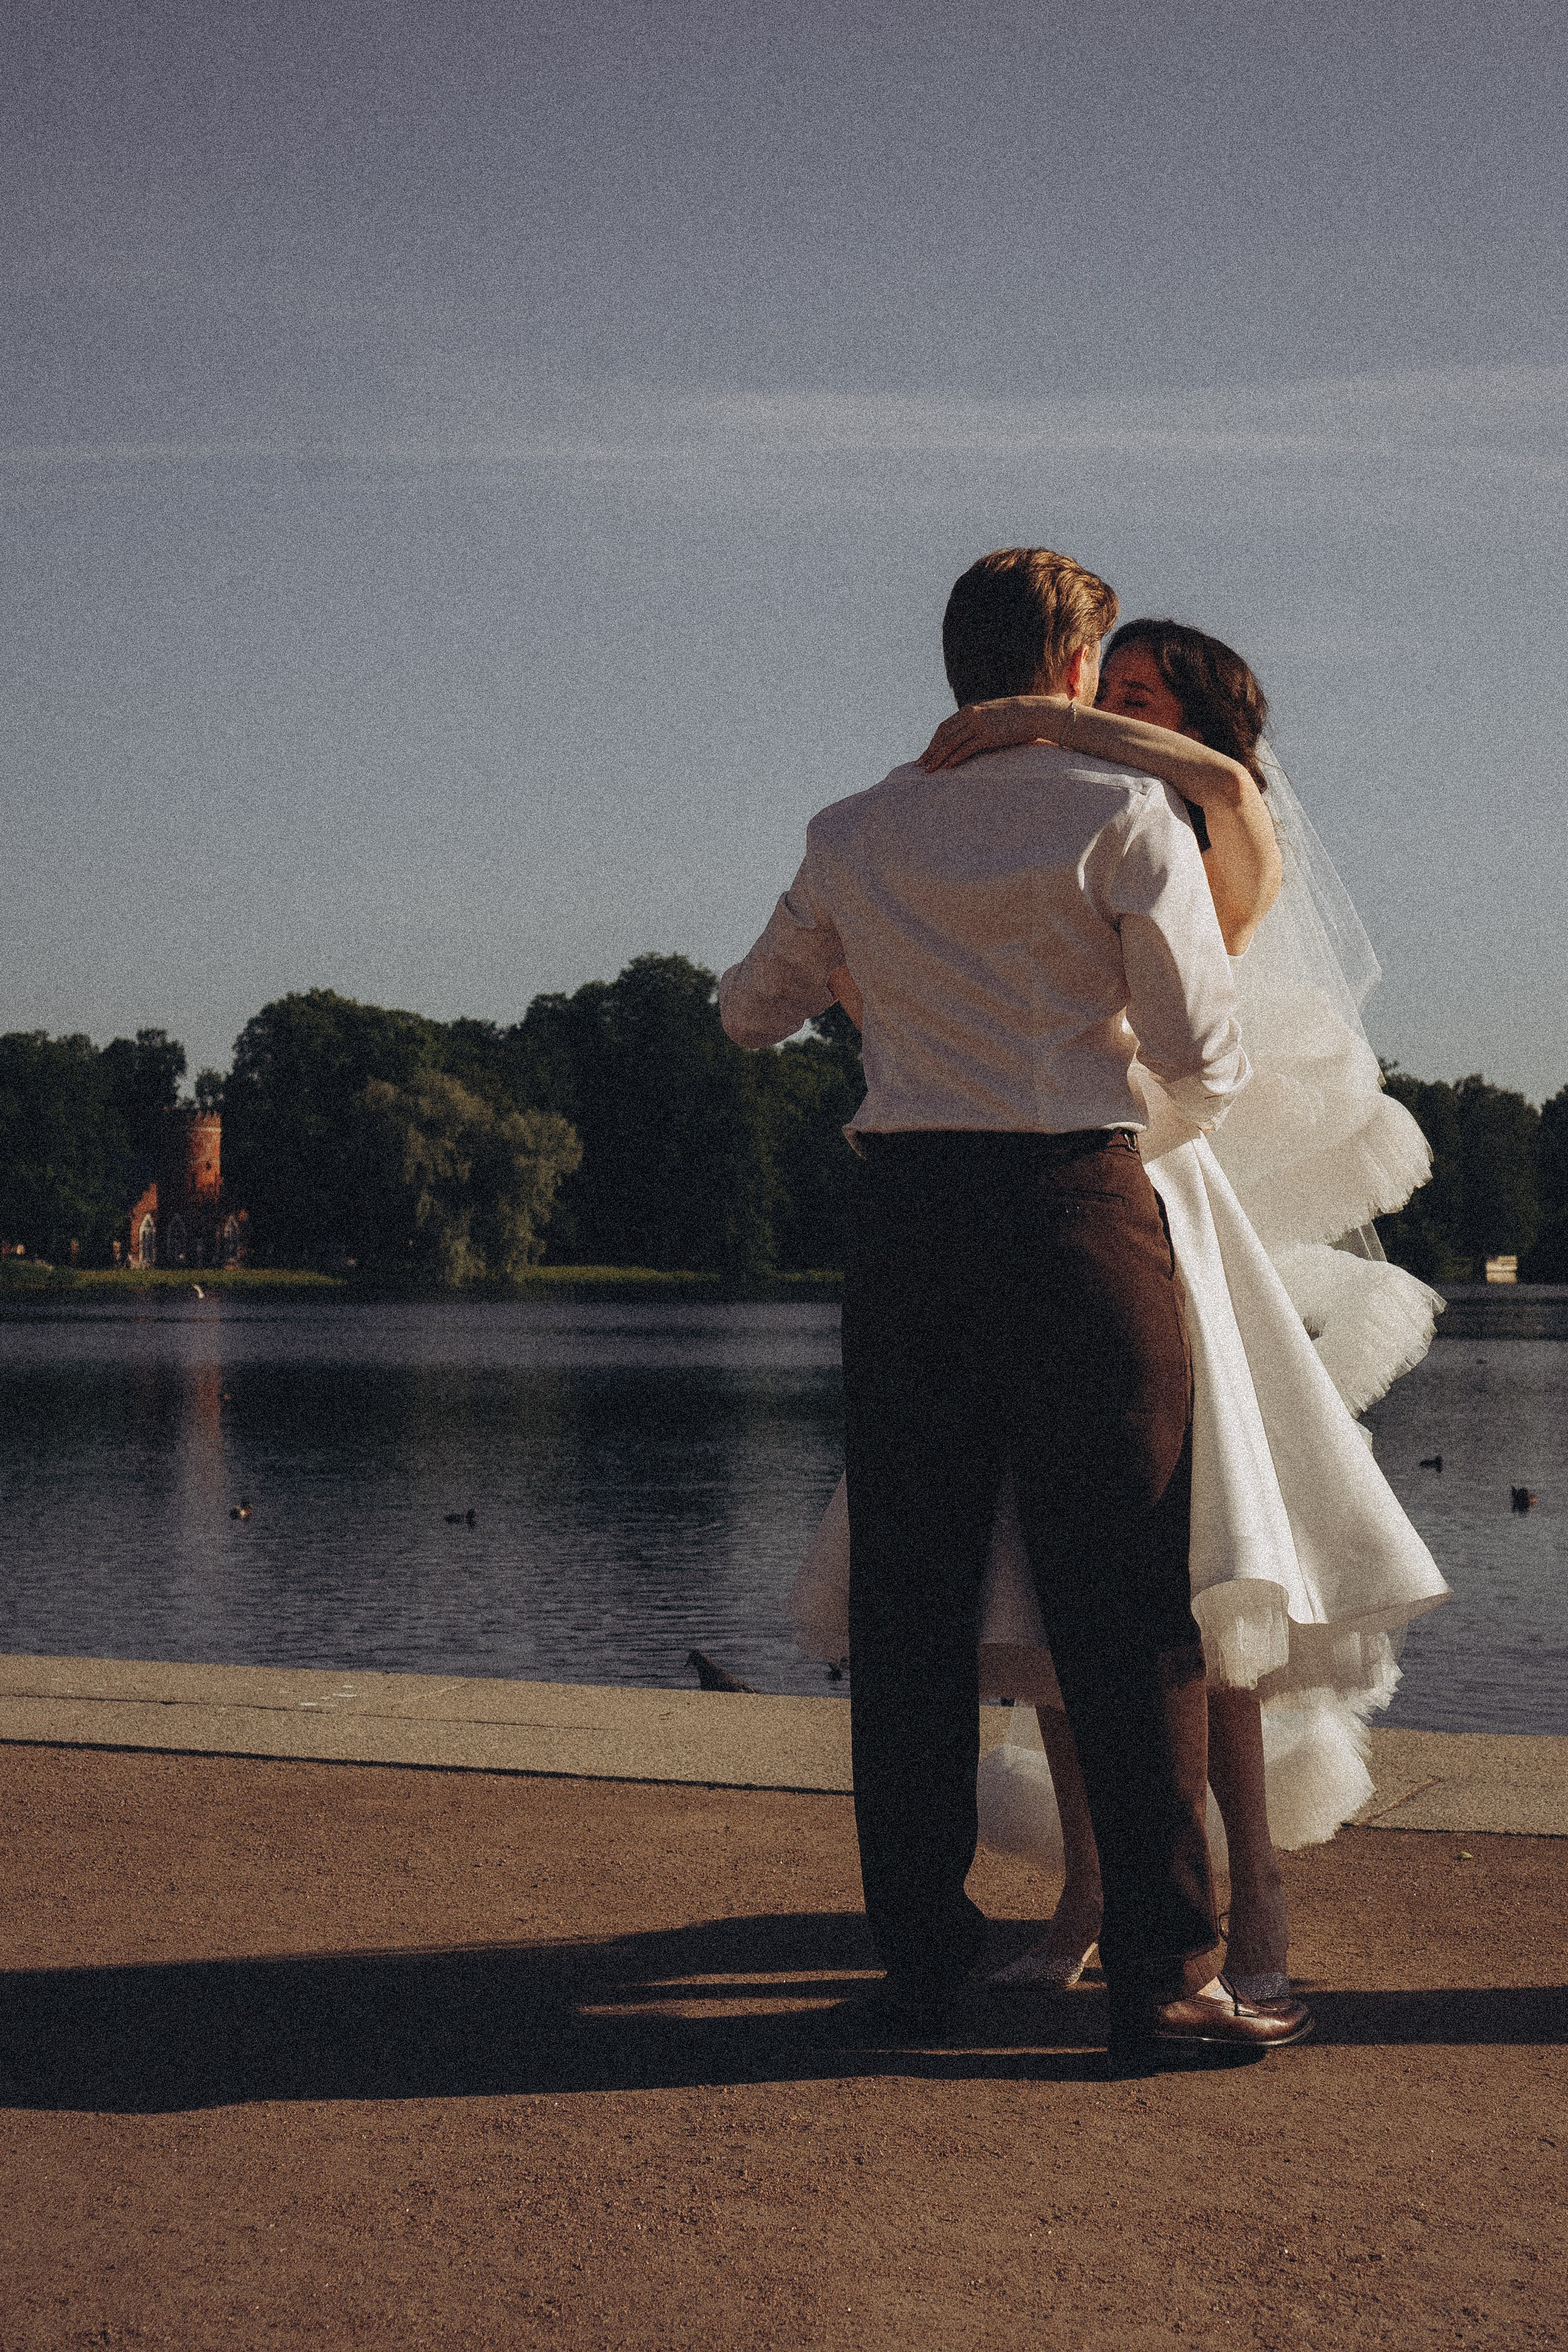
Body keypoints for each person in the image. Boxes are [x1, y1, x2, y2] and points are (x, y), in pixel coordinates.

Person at [791, 617, 1449, 2004]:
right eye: (1103, 686)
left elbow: (1218, 808)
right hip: (1053, 1203)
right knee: (1042, 1587)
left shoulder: (1198, 819)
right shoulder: (1075, 829)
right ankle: (1090, 1890)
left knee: (1194, 1588)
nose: (1098, 710)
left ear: (1180, 720)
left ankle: (1248, 1892)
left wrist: (1053, 724)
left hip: (1151, 1205)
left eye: (1132, 698)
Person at [721, 547, 1309, 2070]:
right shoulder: (1116, 813)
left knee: (910, 1620)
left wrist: (884, 993)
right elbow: (1205, 1060)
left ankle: (918, 1969)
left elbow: (744, 1010)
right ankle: (1164, 1983)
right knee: (1126, 1611)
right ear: (1069, 670)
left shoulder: (852, 830)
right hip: (1069, 1215)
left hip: (904, 1227)